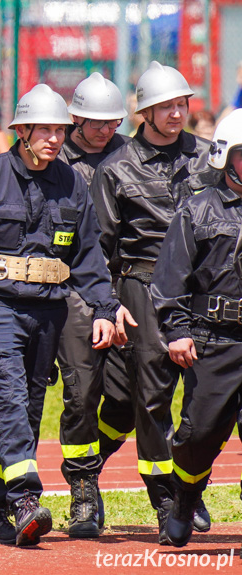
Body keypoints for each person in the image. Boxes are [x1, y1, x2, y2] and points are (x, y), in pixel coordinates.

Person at [0, 84, 127, 546]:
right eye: (44, 129)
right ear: (21, 131)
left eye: (60, 130)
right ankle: (25, 498)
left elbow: (87, 258)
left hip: (49, 311)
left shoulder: (71, 183)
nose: (54, 139)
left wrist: (104, 307)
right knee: (11, 402)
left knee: (28, 409)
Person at [92, 61, 219, 543]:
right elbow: (100, 247)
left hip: (203, 289)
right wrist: (108, 304)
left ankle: (190, 484)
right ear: (144, 111)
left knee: (206, 397)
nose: (175, 113)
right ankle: (164, 494)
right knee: (152, 397)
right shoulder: (115, 168)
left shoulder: (210, 157)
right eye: (164, 106)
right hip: (141, 286)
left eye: (181, 104)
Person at [151, 109, 242, 547]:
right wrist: (177, 330)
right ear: (226, 157)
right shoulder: (198, 208)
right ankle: (186, 498)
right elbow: (169, 280)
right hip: (213, 341)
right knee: (197, 436)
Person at [54, 72, 130, 538]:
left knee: (128, 398)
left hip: (127, 286)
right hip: (75, 289)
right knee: (82, 393)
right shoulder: (55, 157)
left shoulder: (132, 155)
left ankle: (89, 461)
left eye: (113, 121)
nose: (105, 129)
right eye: (96, 121)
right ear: (75, 117)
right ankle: (84, 493)